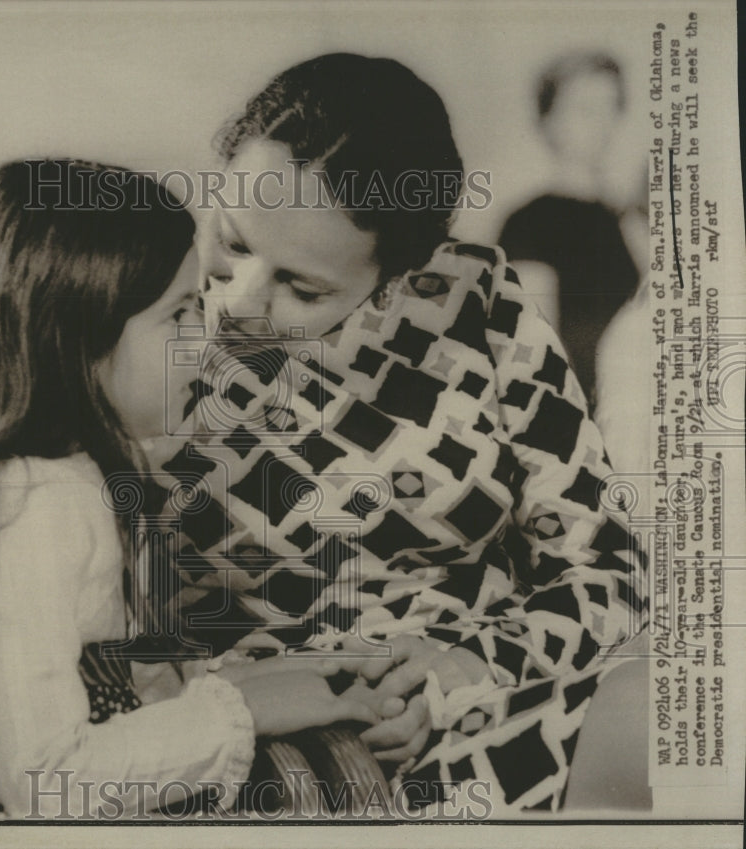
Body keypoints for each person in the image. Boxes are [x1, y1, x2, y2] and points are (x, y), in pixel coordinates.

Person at [0, 160, 375, 819]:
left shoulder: (43, 479)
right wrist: (242, 708)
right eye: (180, 313)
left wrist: (268, 683)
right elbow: (48, 780)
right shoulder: (36, 502)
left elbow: (110, 691)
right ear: (77, 338)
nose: (203, 343)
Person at [148, 53, 649, 813]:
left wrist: (464, 666)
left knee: (663, 721)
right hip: (268, 733)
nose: (239, 307)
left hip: (487, 696)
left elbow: (604, 566)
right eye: (234, 240)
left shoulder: (479, 301)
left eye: (303, 287)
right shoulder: (139, 311)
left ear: (398, 275)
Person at [498, 52, 642, 409]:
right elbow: (537, 356)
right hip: (579, 423)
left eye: (612, 106)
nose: (604, 122)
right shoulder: (530, 222)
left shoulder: (629, 218)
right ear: (549, 121)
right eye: (585, 109)